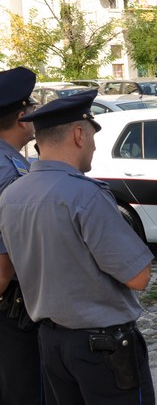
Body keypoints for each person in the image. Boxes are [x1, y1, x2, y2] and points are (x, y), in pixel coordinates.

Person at [0, 89, 155, 404]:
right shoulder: (86, 195)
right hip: (102, 349)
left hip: (50, 343)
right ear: (79, 135)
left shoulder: (13, 194)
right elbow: (138, 276)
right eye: (94, 135)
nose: (96, 145)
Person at [0, 67, 41, 405]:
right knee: (23, 389)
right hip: (10, 305)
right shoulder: (7, 169)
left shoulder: (14, 162)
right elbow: (4, 264)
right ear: (21, 115)